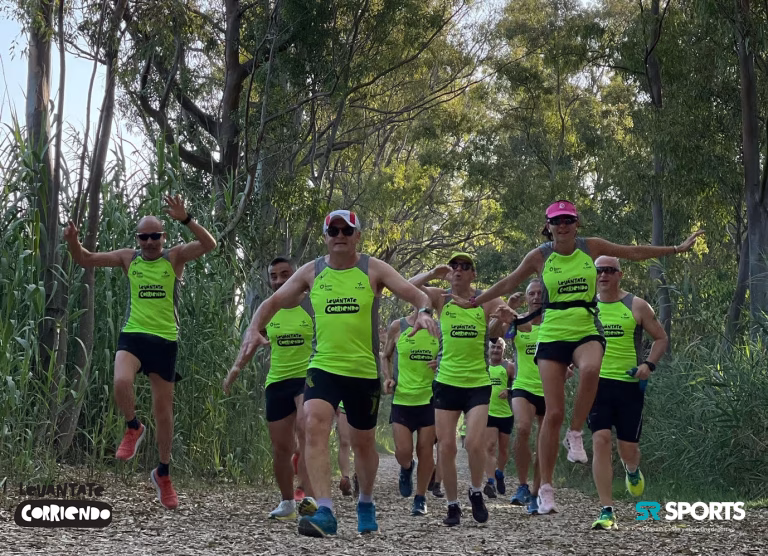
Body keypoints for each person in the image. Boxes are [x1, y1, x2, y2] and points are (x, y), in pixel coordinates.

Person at [450, 200, 702, 514]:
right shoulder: (540, 256)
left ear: (576, 224)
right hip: (553, 332)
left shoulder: (591, 247)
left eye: (569, 220)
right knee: (552, 414)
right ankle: (545, 489)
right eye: (557, 221)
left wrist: (676, 249)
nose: (563, 226)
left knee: (591, 368)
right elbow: (508, 282)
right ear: (549, 226)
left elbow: (632, 251)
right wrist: (474, 301)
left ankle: (575, 433)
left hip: (584, 327)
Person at [234, 209, 438, 537]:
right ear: (326, 236)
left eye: (347, 230)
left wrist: (425, 312)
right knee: (312, 423)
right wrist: (253, 329)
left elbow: (417, 294)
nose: (340, 235)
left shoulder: (373, 268)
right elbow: (271, 302)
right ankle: (325, 511)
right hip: (323, 366)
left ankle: (366, 501)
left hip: (363, 371)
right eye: (334, 230)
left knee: (364, 443)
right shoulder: (312, 272)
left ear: (357, 236)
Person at [63, 195, 217, 509]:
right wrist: (73, 242)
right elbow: (85, 259)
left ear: (164, 236)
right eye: (143, 237)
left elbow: (209, 244)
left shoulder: (174, 258)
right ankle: (133, 427)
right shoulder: (127, 258)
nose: (149, 242)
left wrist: (186, 219)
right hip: (133, 335)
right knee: (121, 382)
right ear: (137, 239)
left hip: (164, 340)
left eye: (155, 236)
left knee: (164, 413)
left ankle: (163, 472)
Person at [409, 253, 505, 526]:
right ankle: (452, 505)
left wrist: (504, 318)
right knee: (447, 447)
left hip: (477, 383)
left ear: (474, 274)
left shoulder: (486, 299)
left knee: (474, 444)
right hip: (447, 381)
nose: (458, 270)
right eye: (454, 267)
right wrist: (432, 273)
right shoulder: (441, 298)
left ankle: (475, 491)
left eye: (465, 267)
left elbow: (501, 325)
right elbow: (407, 287)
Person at [224, 256, 317, 520]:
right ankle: (288, 502)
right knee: (281, 448)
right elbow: (252, 340)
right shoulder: (270, 309)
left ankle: (309, 501)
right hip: (277, 382)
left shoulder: (312, 306)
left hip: (307, 378)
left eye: (285, 274)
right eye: (274, 276)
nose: (279, 281)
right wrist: (235, 369)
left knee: (305, 430)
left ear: (296, 275)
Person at [589, 256, 668, 530]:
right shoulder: (587, 307)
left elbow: (661, 338)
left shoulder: (636, 306)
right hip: (596, 385)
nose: (603, 275)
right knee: (600, 440)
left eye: (609, 270)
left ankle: (631, 470)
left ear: (619, 274)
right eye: (598, 271)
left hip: (629, 386)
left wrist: (648, 365)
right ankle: (606, 510)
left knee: (628, 449)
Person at [382, 309, 439, 516]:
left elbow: (450, 358)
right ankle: (406, 468)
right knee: (403, 452)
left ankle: (420, 498)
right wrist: (388, 378)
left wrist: (440, 365)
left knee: (426, 450)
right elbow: (385, 356)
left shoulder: (439, 329)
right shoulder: (399, 326)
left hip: (429, 400)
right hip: (402, 399)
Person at [507, 280, 545, 514]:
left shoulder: (555, 321)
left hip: (549, 389)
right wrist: (508, 307)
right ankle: (522, 485)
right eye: (531, 293)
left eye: (540, 293)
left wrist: (570, 365)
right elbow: (494, 334)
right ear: (527, 298)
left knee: (544, 441)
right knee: (522, 429)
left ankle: (536, 493)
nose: (536, 297)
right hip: (523, 386)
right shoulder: (518, 321)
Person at [484, 338, 515, 499]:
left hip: (506, 414)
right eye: (493, 347)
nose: (495, 350)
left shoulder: (509, 367)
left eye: (499, 348)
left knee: (503, 450)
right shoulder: (483, 367)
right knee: (489, 447)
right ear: (488, 349)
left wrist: (509, 390)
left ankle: (500, 473)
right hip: (488, 412)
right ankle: (490, 482)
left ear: (503, 349)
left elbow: (519, 384)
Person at [335, 403, 355, 497]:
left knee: (361, 444)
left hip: (363, 401)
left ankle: (359, 477)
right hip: (343, 404)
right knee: (344, 442)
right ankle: (345, 479)